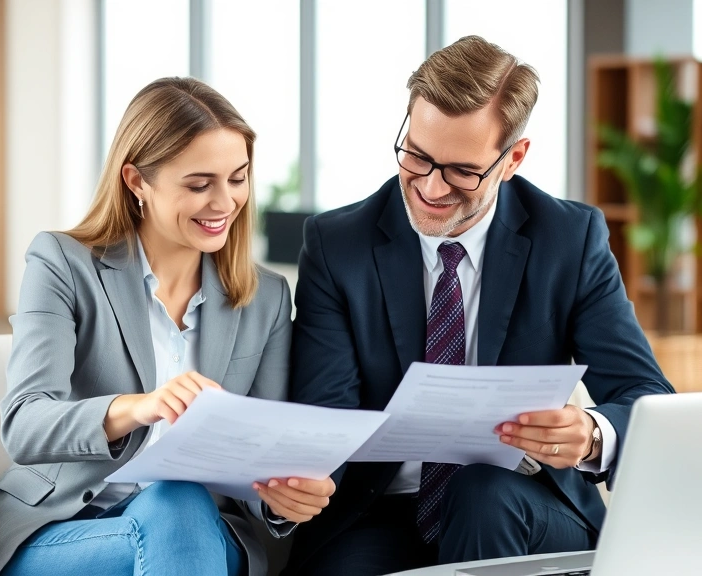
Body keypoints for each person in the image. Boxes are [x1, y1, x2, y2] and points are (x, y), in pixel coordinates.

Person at [284, 36, 674, 575]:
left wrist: (590, 434)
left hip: (521, 500)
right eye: (417, 155)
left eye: (462, 170)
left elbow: (646, 397)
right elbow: (324, 412)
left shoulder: (570, 239)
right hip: (380, 508)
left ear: (512, 158)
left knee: (482, 491)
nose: (429, 186)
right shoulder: (336, 244)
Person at [0, 77, 335, 576]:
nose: (224, 203)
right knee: (176, 509)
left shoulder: (265, 297)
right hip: (66, 529)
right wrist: (140, 407)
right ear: (137, 181)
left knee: (178, 502)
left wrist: (282, 495)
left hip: (194, 529)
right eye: (199, 184)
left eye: (238, 178)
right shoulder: (62, 264)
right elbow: (24, 423)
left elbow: (258, 448)